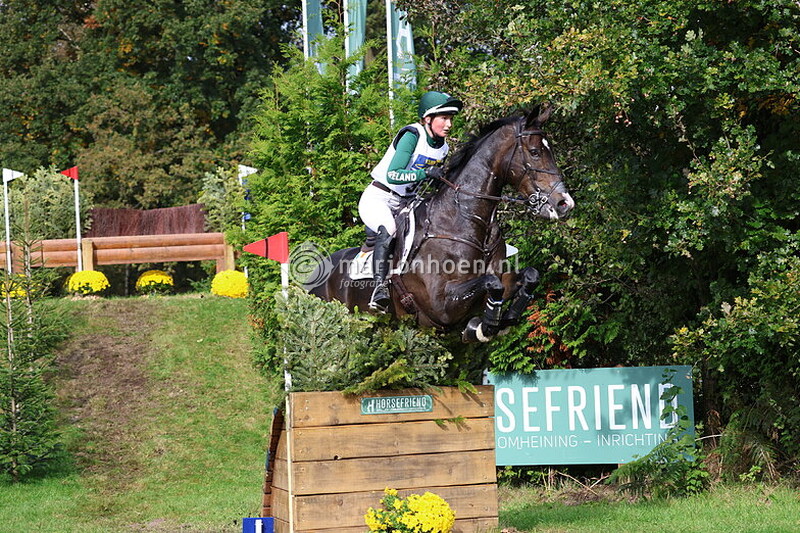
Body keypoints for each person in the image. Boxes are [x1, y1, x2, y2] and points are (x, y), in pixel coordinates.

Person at [358, 90, 463, 312]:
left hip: (407, 201)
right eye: (444, 118)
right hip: (380, 197)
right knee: (389, 229)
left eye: (450, 119)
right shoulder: (412, 136)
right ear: (428, 119)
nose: (449, 125)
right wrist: (426, 174)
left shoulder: (443, 147)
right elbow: (393, 174)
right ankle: (379, 290)